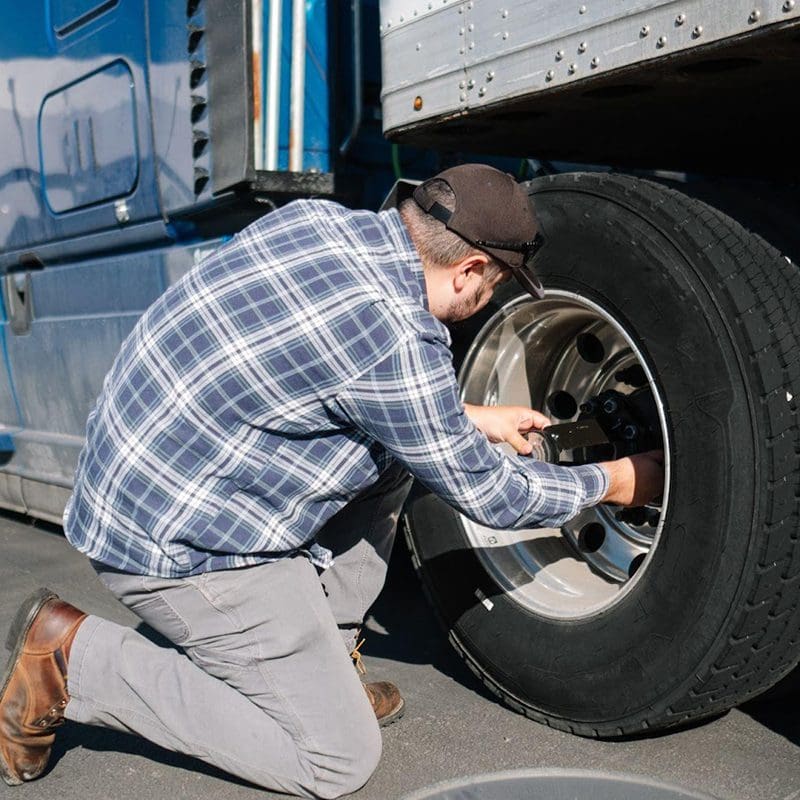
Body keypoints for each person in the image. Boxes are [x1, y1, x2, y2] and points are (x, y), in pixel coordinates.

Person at [0, 164, 663, 796]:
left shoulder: (317, 224)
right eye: (497, 286)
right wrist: (615, 480)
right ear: (471, 270)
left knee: (401, 454)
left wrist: (473, 418)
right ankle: (72, 660)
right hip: (175, 549)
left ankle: (324, 660)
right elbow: (493, 494)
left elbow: (317, 376)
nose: (491, 299)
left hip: (143, 484)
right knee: (337, 758)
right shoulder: (399, 339)